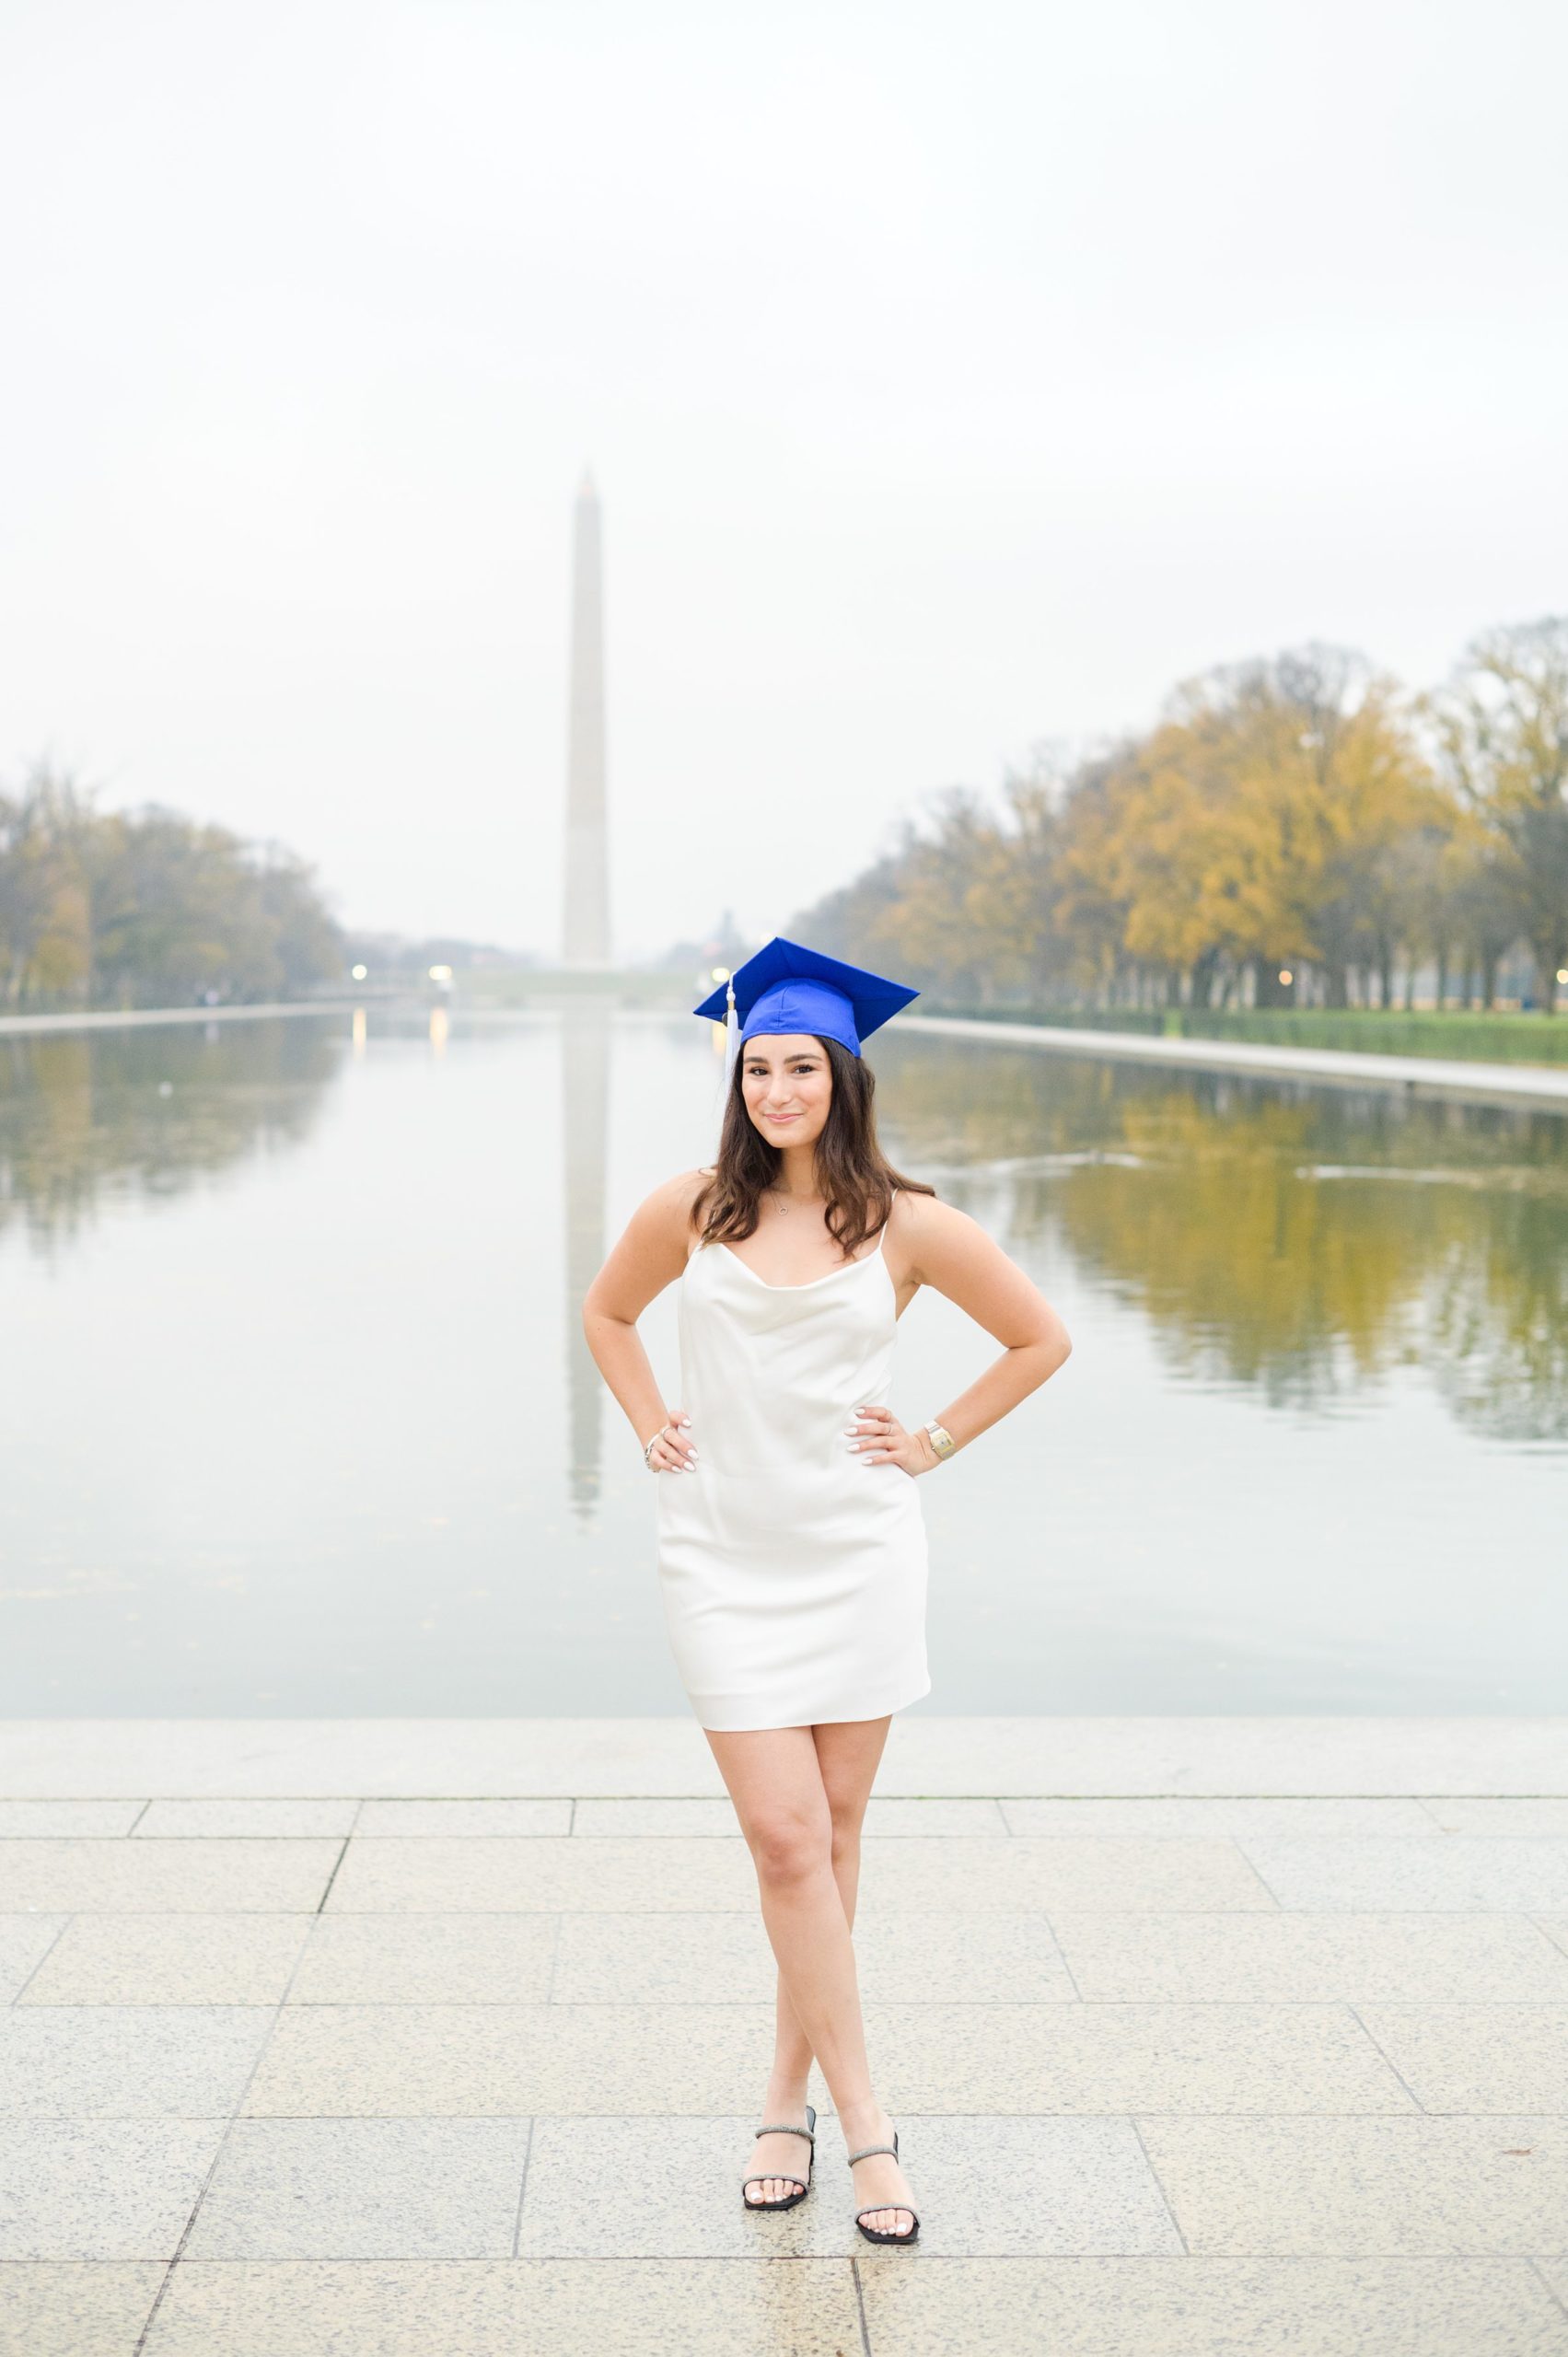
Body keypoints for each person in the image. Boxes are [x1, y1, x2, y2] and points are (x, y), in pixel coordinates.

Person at [582, 935, 1072, 2246]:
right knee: (787, 1840)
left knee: (835, 1840)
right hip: (723, 1556)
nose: (777, 1091)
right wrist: (648, 1423)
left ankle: (782, 2101)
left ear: (844, 1078)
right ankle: (873, 2135)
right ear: (736, 1080)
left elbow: (1041, 1338)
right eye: (758, 1069)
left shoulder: (905, 1223)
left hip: (858, 1555)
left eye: (802, 1067)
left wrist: (932, 1442)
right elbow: (607, 1317)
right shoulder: (693, 1209)